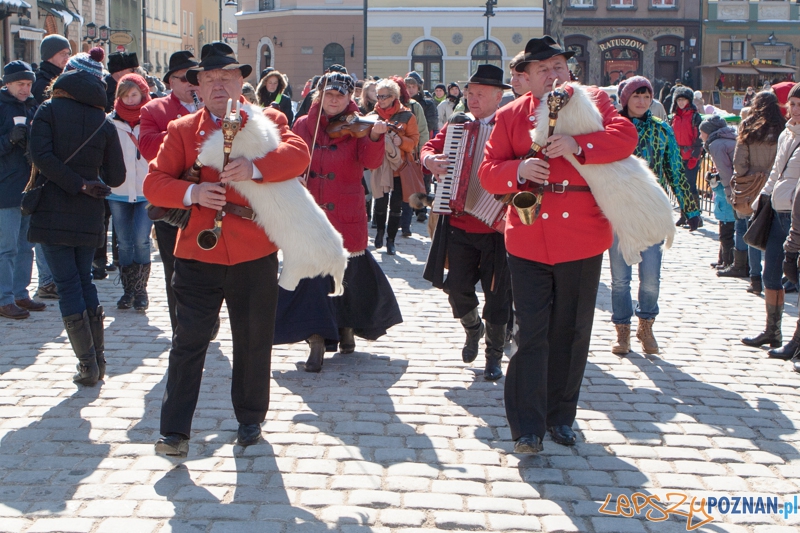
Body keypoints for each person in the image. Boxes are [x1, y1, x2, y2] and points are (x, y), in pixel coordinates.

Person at [143, 42, 311, 456]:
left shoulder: (268, 119)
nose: (219, 85)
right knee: (190, 339)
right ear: (198, 86)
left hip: (254, 251)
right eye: (210, 79)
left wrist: (256, 168)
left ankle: (250, 419)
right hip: (197, 255)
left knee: (253, 339)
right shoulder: (183, 130)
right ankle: (175, 431)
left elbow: (298, 155)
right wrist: (193, 191)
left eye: (227, 77)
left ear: (241, 81)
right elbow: (153, 183)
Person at [479, 36, 638, 454]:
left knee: (571, 332)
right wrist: (519, 168)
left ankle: (561, 417)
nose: (554, 75)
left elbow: (625, 138)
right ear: (525, 77)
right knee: (531, 333)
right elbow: (488, 172)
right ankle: (526, 428)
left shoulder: (595, 101)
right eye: (543, 69)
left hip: (583, 234)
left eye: (559, 67)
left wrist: (578, 145)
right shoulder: (511, 114)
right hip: (528, 237)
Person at [276, 72, 402, 372]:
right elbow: (294, 157)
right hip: (310, 211)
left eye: (341, 96)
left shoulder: (360, 124)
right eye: (329, 95)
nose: (334, 100)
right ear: (320, 95)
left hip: (345, 209)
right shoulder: (304, 123)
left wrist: (374, 135)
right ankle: (317, 339)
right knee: (310, 278)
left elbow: (371, 163)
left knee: (346, 274)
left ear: (349, 98)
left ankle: (346, 327)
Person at [28, 55, 126, 386]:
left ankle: (88, 365)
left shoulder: (48, 111)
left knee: (69, 282)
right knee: (83, 280)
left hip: (54, 206)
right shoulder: (104, 122)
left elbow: (41, 157)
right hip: (89, 211)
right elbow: (117, 175)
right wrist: (87, 181)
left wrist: (75, 183)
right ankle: (97, 359)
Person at [421, 65, 511, 381]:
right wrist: (430, 160)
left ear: (499, 96)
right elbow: (430, 147)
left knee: (498, 295)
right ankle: (473, 328)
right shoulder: (459, 126)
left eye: (480, 94)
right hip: (460, 223)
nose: (473, 99)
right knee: (456, 287)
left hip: (497, 229)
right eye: (470, 93)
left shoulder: (510, 126)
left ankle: (493, 356)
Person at [610, 76, 701, 355]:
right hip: (619, 212)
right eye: (636, 96)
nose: (641, 101)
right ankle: (622, 331)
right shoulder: (612, 128)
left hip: (651, 212)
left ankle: (646, 326)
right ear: (625, 99)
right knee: (620, 279)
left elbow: (675, 168)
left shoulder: (662, 129)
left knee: (650, 277)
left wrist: (691, 207)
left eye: (646, 96)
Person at [139, 50, 201, 333]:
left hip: (209, 198)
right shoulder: (155, 109)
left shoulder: (213, 106)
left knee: (208, 266)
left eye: (196, 77)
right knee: (174, 267)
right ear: (170, 82)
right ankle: (182, 327)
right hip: (172, 200)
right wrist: (187, 131)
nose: (192, 84)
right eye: (185, 78)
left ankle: (205, 318)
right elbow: (148, 148)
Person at [742, 83, 800, 353]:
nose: (796, 110)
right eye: (793, 104)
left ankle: (796, 341)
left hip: (796, 214)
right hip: (778, 211)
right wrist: (761, 200)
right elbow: (776, 171)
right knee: (771, 274)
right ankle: (772, 331)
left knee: (795, 277)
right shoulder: (786, 134)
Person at [0, 60, 46, 319]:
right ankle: (4, 298)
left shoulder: (32, 106)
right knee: (6, 248)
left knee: (25, 245)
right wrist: (8, 139)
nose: (25, 88)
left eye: (28, 84)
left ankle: (20, 293)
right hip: (5, 187)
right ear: (7, 83)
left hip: (29, 185)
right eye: (20, 84)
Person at [732, 90, 786, 295]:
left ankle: (755, 278)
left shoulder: (748, 126)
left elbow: (740, 163)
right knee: (777, 233)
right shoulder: (784, 127)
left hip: (754, 185)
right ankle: (775, 278)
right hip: (777, 183)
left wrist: (748, 176)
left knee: (753, 230)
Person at [108, 73, 153, 311]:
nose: (130, 99)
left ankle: (141, 290)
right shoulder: (110, 121)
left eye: (134, 94)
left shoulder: (151, 119)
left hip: (146, 190)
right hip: (118, 190)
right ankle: (128, 290)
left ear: (143, 93)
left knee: (141, 240)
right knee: (124, 243)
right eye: (125, 95)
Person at [368, 78, 420, 255]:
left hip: (400, 167)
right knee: (380, 203)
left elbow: (414, 141)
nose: (380, 100)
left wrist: (401, 141)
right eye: (378, 96)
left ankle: (391, 240)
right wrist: (375, 135)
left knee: (396, 205)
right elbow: (367, 141)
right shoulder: (372, 116)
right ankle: (380, 232)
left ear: (393, 97)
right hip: (380, 166)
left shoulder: (407, 116)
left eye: (384, 96)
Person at [699, 115, 739, 274]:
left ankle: (728, 261)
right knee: (726, 226)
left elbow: (725, 171)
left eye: (701, 132)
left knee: (726, 229)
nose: (699, 136)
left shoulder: (716, 144)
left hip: (728, 190)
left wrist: (730, 194)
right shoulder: (727, 140)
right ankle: (723, 259)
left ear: (708, 132)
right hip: (732, 187)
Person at [670, 86, 703, 227]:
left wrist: (695, 157)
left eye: (683, 100)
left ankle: (695, 216)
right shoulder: (674, 117)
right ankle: (684, 214)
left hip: (690, 156)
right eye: (679, 100)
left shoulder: (695, 117)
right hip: (677, 156)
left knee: (690, 187)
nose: (681, 103)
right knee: (679, 186)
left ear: (688, 101)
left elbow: (699, 139)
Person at [31, 35, 70, 104]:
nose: (67, 58)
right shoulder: (41, 83)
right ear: (49, 55)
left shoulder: (63, 76)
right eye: (63, 53)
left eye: (68, 53)